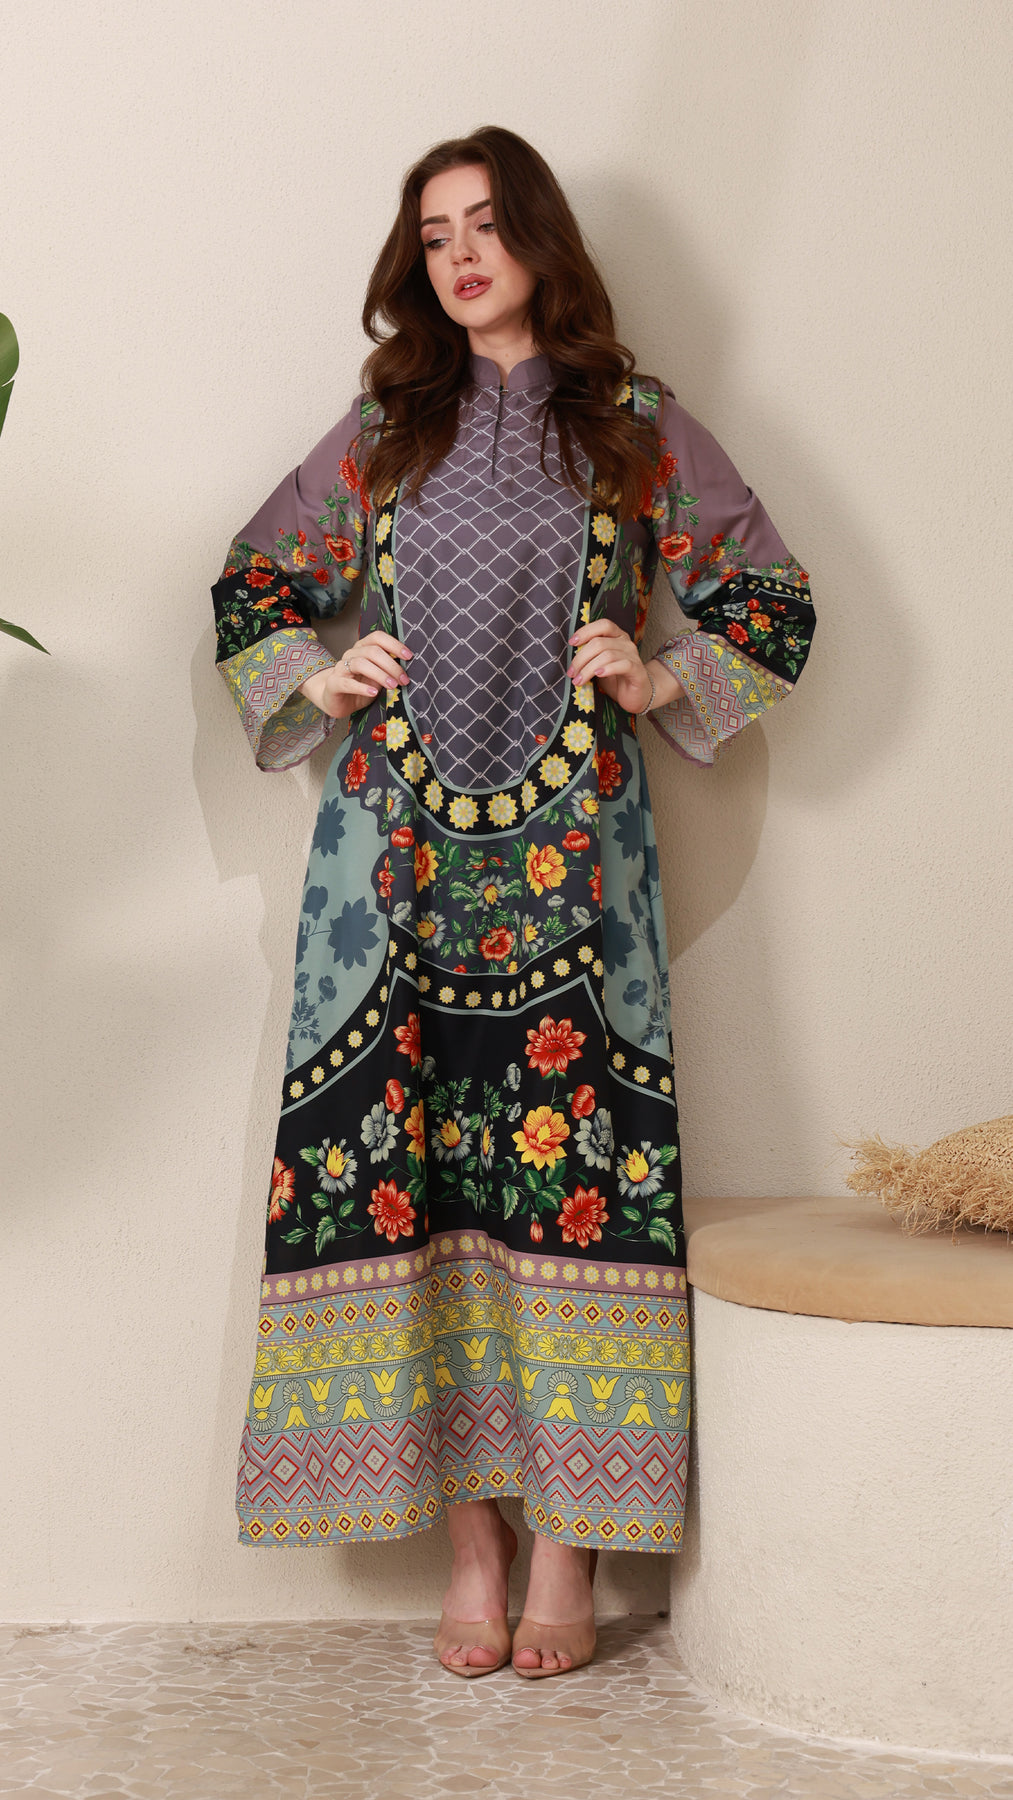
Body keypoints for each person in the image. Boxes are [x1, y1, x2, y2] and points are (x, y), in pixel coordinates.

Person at [212, 126, 814, 1680]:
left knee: (576, 1182)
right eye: (433, 235)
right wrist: (316, 675)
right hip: (388, 871)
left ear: (540, 238)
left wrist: (657, 674)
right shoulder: (385, 429)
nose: (460, 256)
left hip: (573, 871)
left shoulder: (633, 427)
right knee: (408, 1178)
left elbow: (769, 598)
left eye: (484, 224)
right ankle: (471, 1544)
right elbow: (254, 584)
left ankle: (569, 1549)